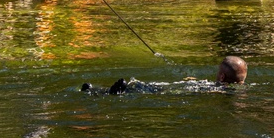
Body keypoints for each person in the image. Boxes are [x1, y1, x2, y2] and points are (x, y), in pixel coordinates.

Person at [83, 56, 248, 95]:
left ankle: (99, 91)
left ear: (221, 78)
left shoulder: (217, 89)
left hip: (167, 91)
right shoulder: (230, 91)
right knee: (138, 88)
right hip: (175, 90)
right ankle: (101, 91)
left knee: (139, 88)